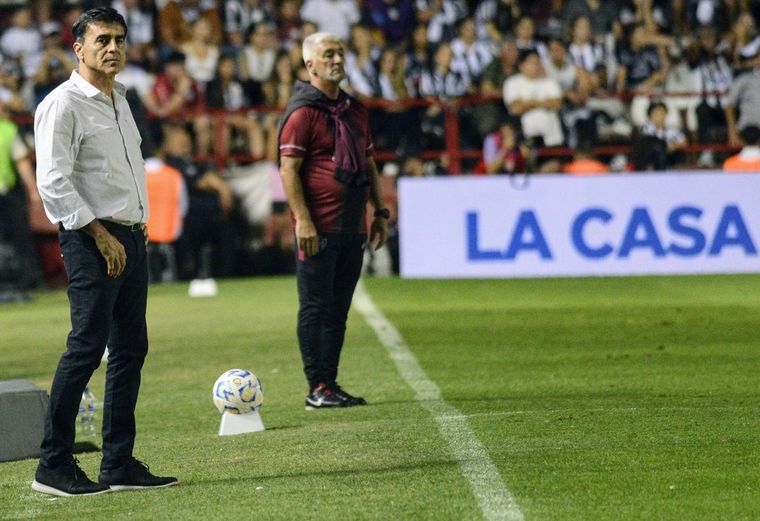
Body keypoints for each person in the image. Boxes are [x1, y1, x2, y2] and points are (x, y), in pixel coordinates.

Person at [32, 7, 177, 497]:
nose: (112, 48)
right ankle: (53, 464)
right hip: (93, 239)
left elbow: (123, 172)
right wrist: (101, 234)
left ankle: (117, 463)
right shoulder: (63, 104)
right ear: (79, 48)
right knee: (86, 347)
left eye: (119, 39)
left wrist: (136, 227)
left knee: (131, 349)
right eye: (102, 41)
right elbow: (53, 181)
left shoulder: (121, 100)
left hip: (129, 237)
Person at [277, 32, 389, 409]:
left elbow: (369, 162)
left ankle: (329, 382)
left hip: (352, 225)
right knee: (315, 306)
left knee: (338, 309)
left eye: (340, 53)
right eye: (328, 54)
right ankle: (316, 385)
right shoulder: (303, 112)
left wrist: (380, 211)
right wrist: (302, 220)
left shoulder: (355, 110)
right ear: (310, 64)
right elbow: (289, 170)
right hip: (318, 228)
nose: (337, 60)